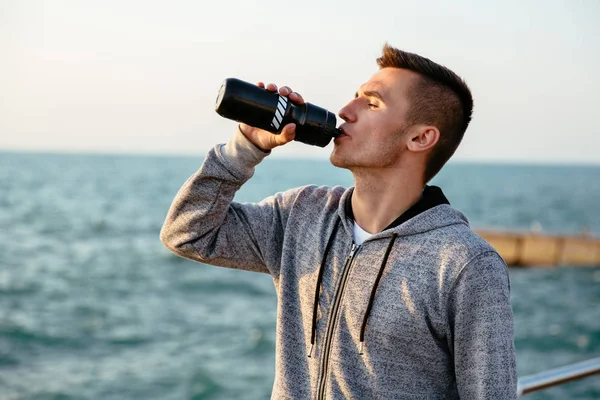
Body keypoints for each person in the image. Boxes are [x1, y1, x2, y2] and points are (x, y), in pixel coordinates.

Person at [160, 43, 517, 399]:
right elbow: (187, 233)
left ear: (421, 137)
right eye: (354, 97)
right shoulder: (300, 214)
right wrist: (246, 148)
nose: (345, 111)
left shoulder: (465, 265)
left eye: (372, 103)